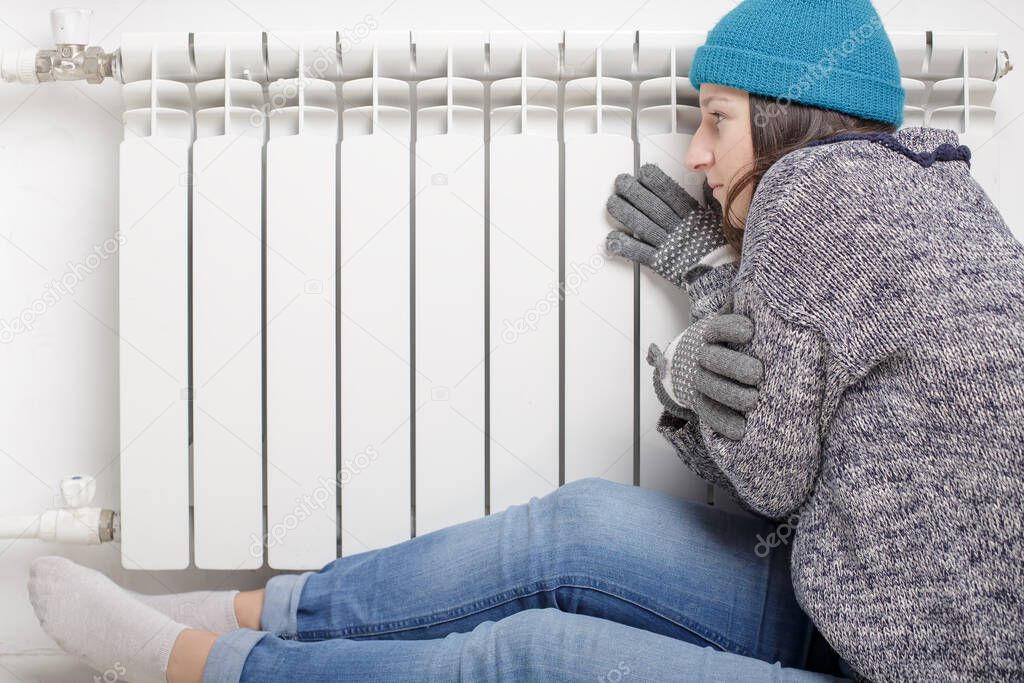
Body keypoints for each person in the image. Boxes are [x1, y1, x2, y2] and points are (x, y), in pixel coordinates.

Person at [27, 0, 1024, 681]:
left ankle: (200, 659)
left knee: (535, 655)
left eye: (717, 119)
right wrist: (716, 282)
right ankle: (248, 614)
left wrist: (692, 347)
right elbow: (815, 439)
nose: (696, 153)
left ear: (789, 118)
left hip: (900, 661)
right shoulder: (938, 188)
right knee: (579, 525)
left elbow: (764, 481)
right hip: (864, 612)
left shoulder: (814, 186)